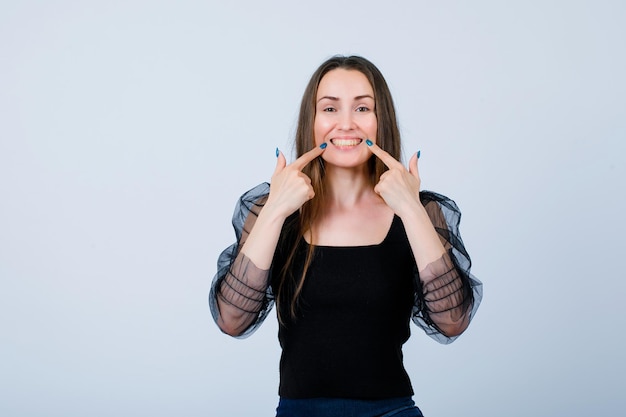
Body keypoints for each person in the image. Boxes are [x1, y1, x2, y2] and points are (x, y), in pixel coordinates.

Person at [209, 55, 483, 417]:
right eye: (330, 109)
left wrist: (412, 209)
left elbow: (453, 321)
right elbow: (232, 319)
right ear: (312, 121)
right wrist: (276, 209)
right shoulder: (273, 210)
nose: (346, 124)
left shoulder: (421, 212)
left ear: (380, 119)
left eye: (363, 108)